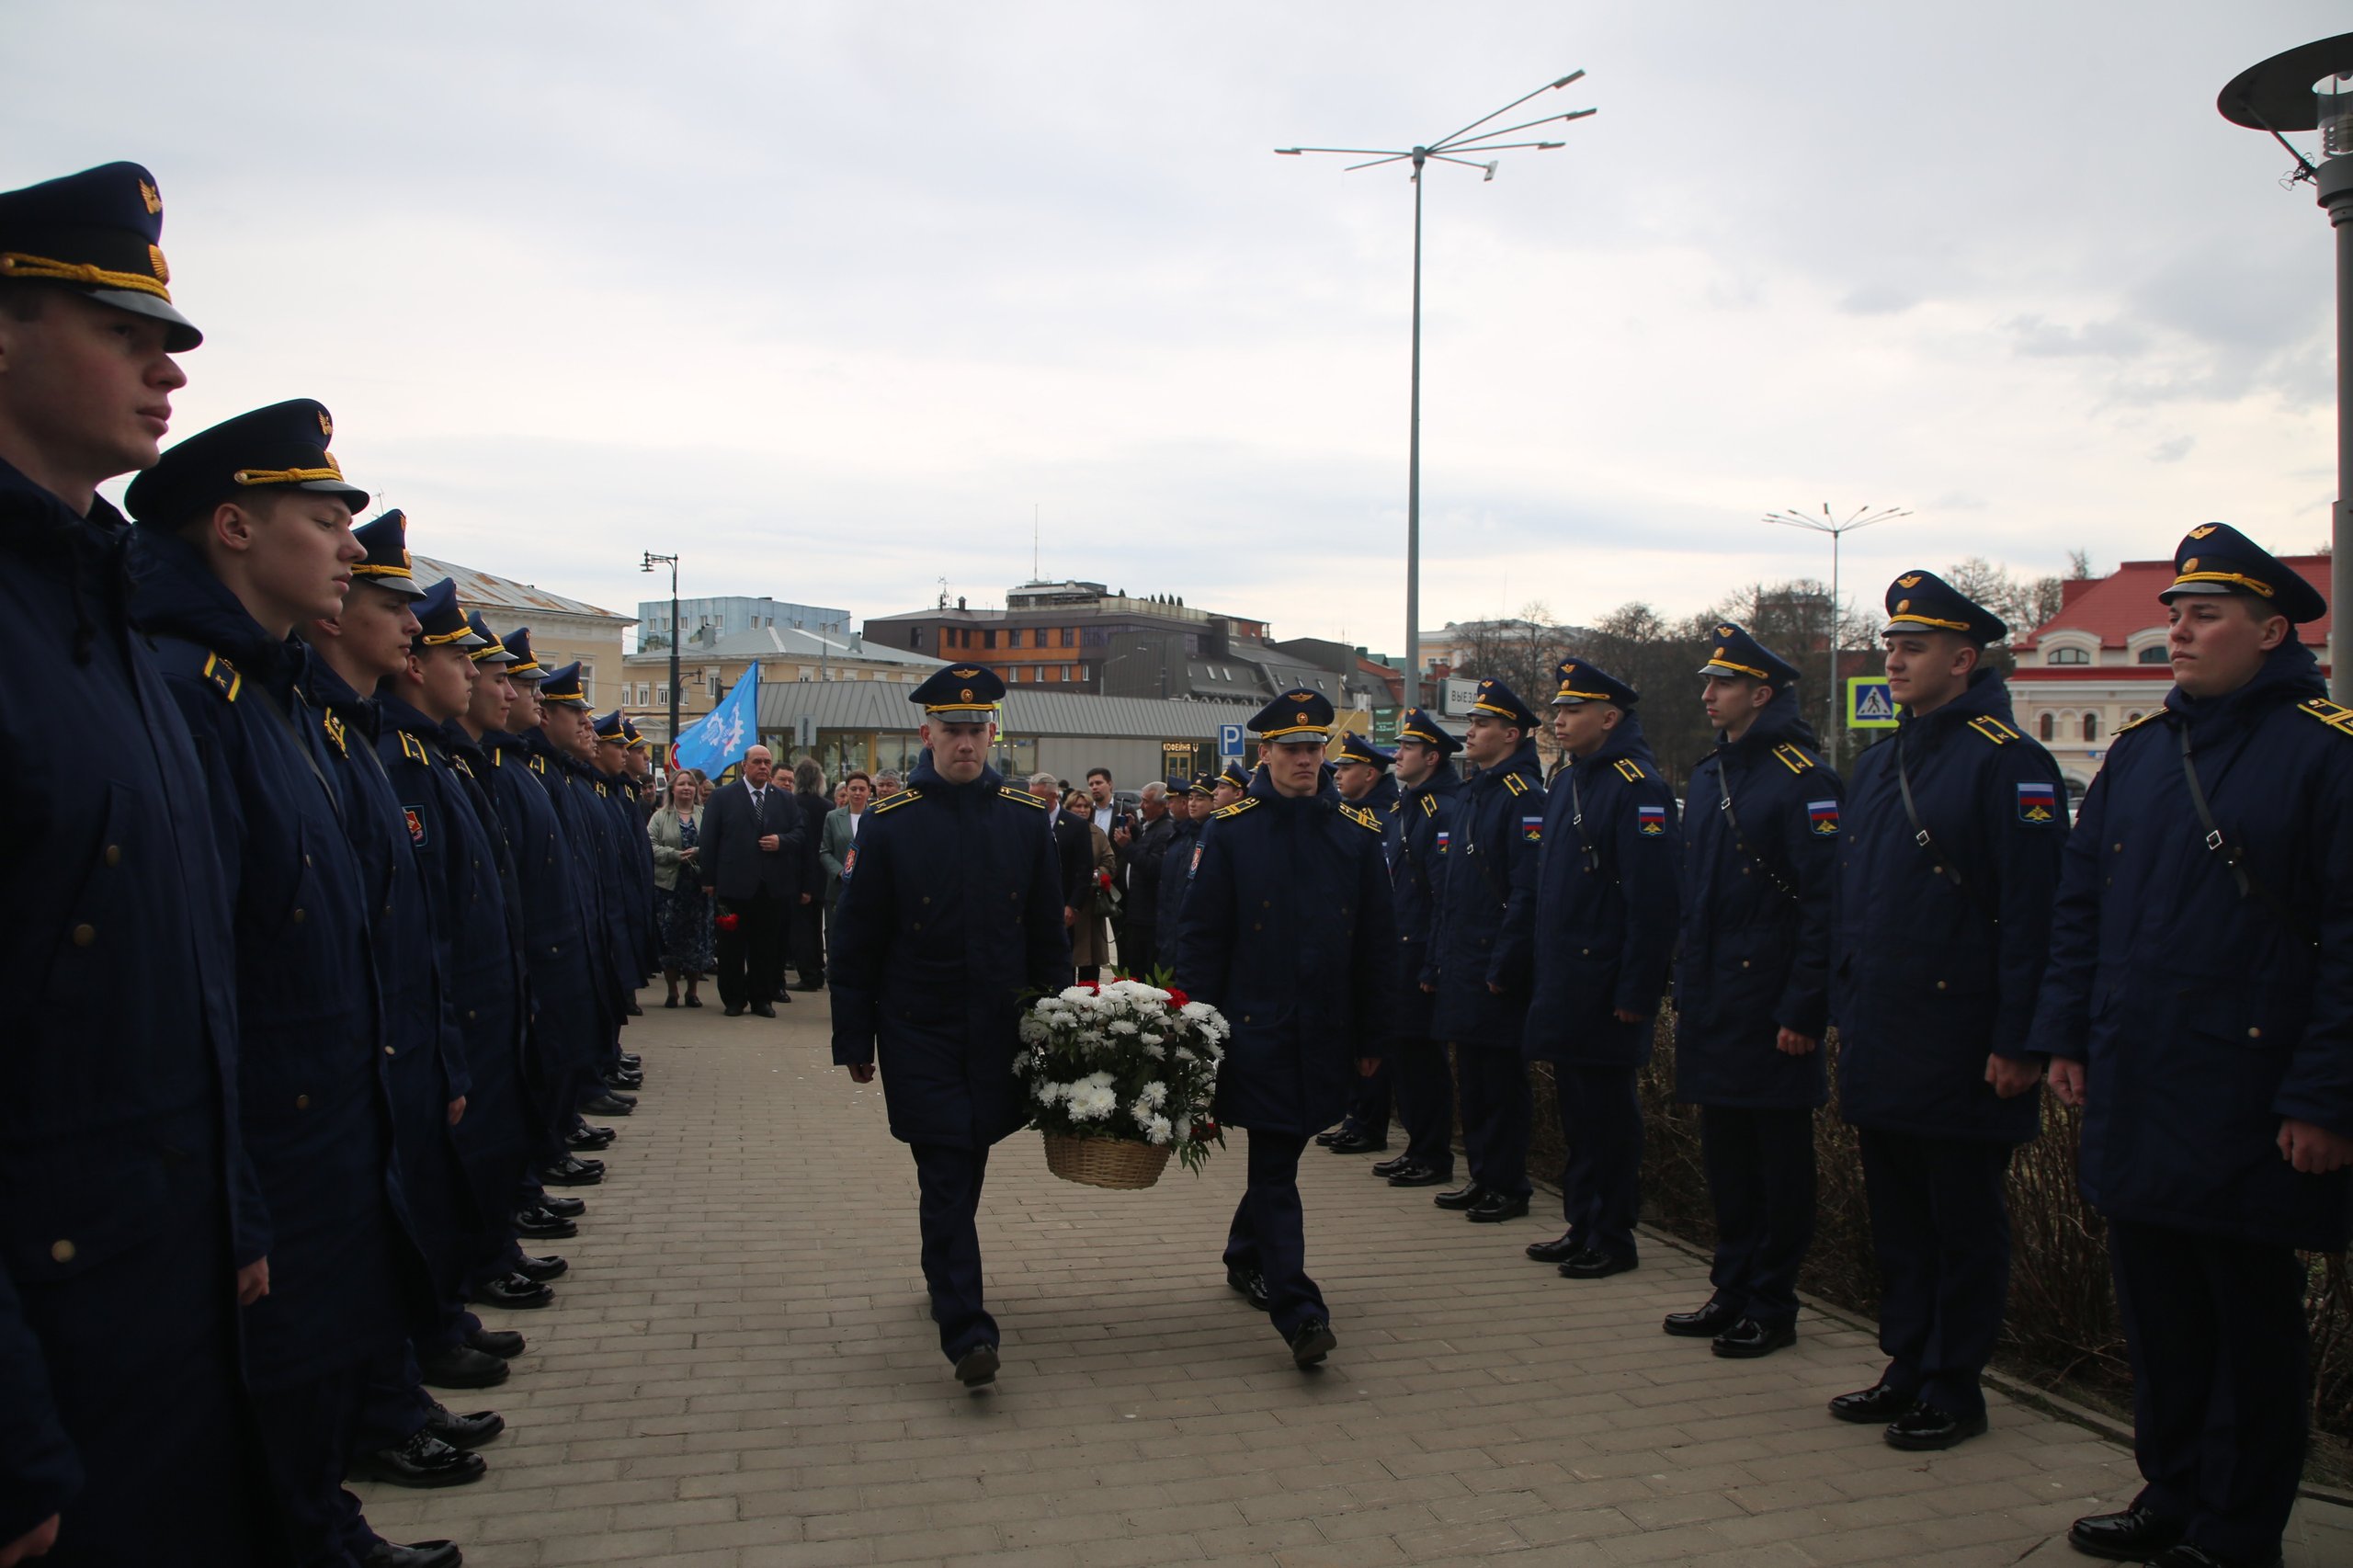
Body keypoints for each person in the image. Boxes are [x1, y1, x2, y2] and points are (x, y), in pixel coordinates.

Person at [0, 161, 288, 1567]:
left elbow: (190, 968)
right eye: (123, 332)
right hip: (47, 1337)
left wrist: (232, 1210)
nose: (168, 368)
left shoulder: (105, 616)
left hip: (153, 1293)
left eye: (167, 338)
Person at [125, 400, 458, 1568]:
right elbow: (190, 966)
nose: (351, 549)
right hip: (269, 1127)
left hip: (317, 1118)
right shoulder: (194, 694)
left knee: (311, 1373)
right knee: (272, 1389)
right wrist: (232, 1192)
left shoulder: (263, 699)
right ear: (232, 528)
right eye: (325, 522)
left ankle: (326, 1521)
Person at [2029, 525, 2352, 1568]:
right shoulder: (2139, 752)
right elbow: (2080, 909)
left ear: (2271, 631)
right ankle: (2169, 1491)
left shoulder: (2326, 749)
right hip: (2139, 1081)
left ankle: (2236, 1530)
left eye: (2204, 615)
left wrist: (2325, 1096)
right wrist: (2065, 1033)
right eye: (2174, 614)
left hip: (2250, 1094)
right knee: (2160, 1316)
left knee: (2248, 1326)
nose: (2176, 631)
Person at [1822, 571, 2069, 1451]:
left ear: (1964, 660)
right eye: (1890, 645)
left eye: (1913, 647)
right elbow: (1858, 903)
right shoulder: (1880, 762)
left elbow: (2036, 915)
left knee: (1962, 1224)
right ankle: (1905, 1364)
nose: (1893, 660)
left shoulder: (2010, 761)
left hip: (1964, 1040)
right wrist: (1845, 1005)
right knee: (1899, 1222)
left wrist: (2021, 1039)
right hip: (1885, 1032)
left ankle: (1955, 1384)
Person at [296, 530, 510, 1498]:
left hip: (414, 1027)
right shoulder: (364, 743)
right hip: (361, 1045)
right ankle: (386, 1398)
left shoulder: (382, 745)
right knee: (375, 1228)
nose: (421, 640)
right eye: (395, 611)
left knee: (407, 1209)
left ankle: (404, 1372)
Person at [827, 665, 1069, 1386]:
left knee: (969, 1157)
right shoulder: (891, 824)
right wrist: (854, 1038)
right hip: (918, 1028)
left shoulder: (1024, 820)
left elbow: (1046, 938)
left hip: (996, 1029)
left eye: (976, 731)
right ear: (926, 734)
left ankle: (944, 1271)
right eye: (952, 731)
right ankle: (967, 1331)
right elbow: (856, 941)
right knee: (944, 1166)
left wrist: (1058, 1024)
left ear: (993, 734)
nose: (965, 743)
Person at [1174, 688, 1398, 1367]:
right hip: (1257, 1030)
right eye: (1292, 749)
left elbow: (1376, 946)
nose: (1306, 760)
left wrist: (1373, 1037)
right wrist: (1196, 1032)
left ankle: (1246, 1254)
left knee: (1283, 1155)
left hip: (1325, 1030)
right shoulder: (1231, 830)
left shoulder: (1355, 833)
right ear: (1265, 754)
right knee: (1275, 1165)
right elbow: (1202, 938)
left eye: (1315, 748)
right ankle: (1299, 1311)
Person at [1665, 622, 1841, 1361]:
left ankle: (1773, 1302)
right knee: (1729, 1164)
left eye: (1724, 683)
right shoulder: (1712, 776)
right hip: (1716, 1004)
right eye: (1708, 682)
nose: (1709, 694)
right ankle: (1731, 1286)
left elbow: (1825, 906)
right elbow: (1696, 897)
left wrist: (1804, 1008)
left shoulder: (1804, 779)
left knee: (1778, 1167)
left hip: (1772, 1008)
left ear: (1761, 694)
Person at [1523, 660, 1680, 1279]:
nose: (1559, 720)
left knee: (1609, 1118)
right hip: (1568, 981)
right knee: (1579, 1115)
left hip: (1607, 985)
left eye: (1573, 710)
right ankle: (1582, 1223)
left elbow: (1653, 901)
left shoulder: (1638, 787)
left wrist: (1638, 989)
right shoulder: (1569, 780)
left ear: (1610, 718)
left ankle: (1613, 1235)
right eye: (1558, 710)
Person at [480, 631, 604, 1247]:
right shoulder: (506, 770)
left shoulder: (536, 772)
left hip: (557, 951)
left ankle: (539, 1166)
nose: (516, 694)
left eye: (526, 684)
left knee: (550, 1069)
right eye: (509, 681)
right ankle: (521, 1191)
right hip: (529, 960)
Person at [1424, 677, 1547, 1224]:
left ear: (1511, 734)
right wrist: (1439, 957)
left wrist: (1506, 963)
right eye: (1470, 722)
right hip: (1463, 959)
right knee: (1473, 1080)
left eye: (1481, 724)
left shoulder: (1524, 797)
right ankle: (1483, 1176)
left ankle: (1508, 1183)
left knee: (1500, 1082)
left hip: (1494, 964)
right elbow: (1450, 893)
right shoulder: (1477, 792)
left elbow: (1526, 890)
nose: (1469, 732)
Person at [1372, 710, 1467, 1190]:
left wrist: (1433, 961)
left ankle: (1433, 1153)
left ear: (1432, 758)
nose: (1398, 754)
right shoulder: (1404, 807)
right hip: (1399, 949)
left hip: (1421, 952)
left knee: (1422, 1060)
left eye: (1408, 748)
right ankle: (1417, 1147)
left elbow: (1443, 895)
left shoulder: (1440, 810)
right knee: (1404, 1057)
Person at [1321, 732, 1402, 1155]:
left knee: (1371, 1039)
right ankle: (1356, 1117)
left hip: (1374, 942)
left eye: (1347, 768)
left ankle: (1370, 1123)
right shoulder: (1352, 815)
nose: (1338, 775)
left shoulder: (1379, 820)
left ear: (1370, 774)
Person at [699, 744, 806, 1017]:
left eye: (767, 762)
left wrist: (781, 841)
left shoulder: (784, 799)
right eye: (757, 762)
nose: (763, 767)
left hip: (771, 888)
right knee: (731, 948)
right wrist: (709, 879)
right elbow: (708, 839)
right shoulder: (723, 797)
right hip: (733, 887)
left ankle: (762, 999)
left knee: (765, 947)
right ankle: (734, 999)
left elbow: (800, 833)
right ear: (744, 766)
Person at [648, 773, 713, 1008]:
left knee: (696, 939)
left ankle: (692, 991)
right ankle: (672, 991)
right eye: (682, 784)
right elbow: (650, 846)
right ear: (672, 789)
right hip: (669, 888)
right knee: (670, 940)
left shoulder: (705, 815)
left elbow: (715, 843)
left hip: (698, 889)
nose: (686, 788)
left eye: (690, 785)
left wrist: (699, 852)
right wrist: (675, 855)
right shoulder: (660, 816)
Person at [1121, 781, 1178, 976]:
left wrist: (1127, 846)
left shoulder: (1165, 831)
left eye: (1146, 802)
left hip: (1149, 918)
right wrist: (1135, 831)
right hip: (1138, 914)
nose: (1141, 806)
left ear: (1162, 806)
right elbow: (1146, 849)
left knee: (1146, 971)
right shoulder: (1152, 826)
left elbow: (1154, 867)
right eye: (1142, 800)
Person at [1061, 788, 1116, 980]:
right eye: (1078, 806)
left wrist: (1095, 875)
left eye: (1086, 806)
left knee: (1089, 961)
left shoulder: (1097, 833)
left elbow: (1109, 862)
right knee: (1065, 959)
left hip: (1090, 904)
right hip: (1065, 901)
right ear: (1068, 808)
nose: (1082, 810)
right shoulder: (1059, 830)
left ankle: (1089, 995)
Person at [789, 757, 829, 990]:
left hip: (800, 876)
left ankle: (809, 975)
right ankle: (818, 969)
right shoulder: (828, 807)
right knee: (817, 927)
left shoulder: (792, 805)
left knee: (802, 930)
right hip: (823, 875)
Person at [819, 771, 871, 928]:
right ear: (847, 790)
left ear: (869, 791)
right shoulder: (832, 817)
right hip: (839, 888)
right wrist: (841, 872)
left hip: (869, 886)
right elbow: (824, 851)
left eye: (862, 789)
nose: (857, 793)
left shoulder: (877, 816)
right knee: (836, 931)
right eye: (853, 789)